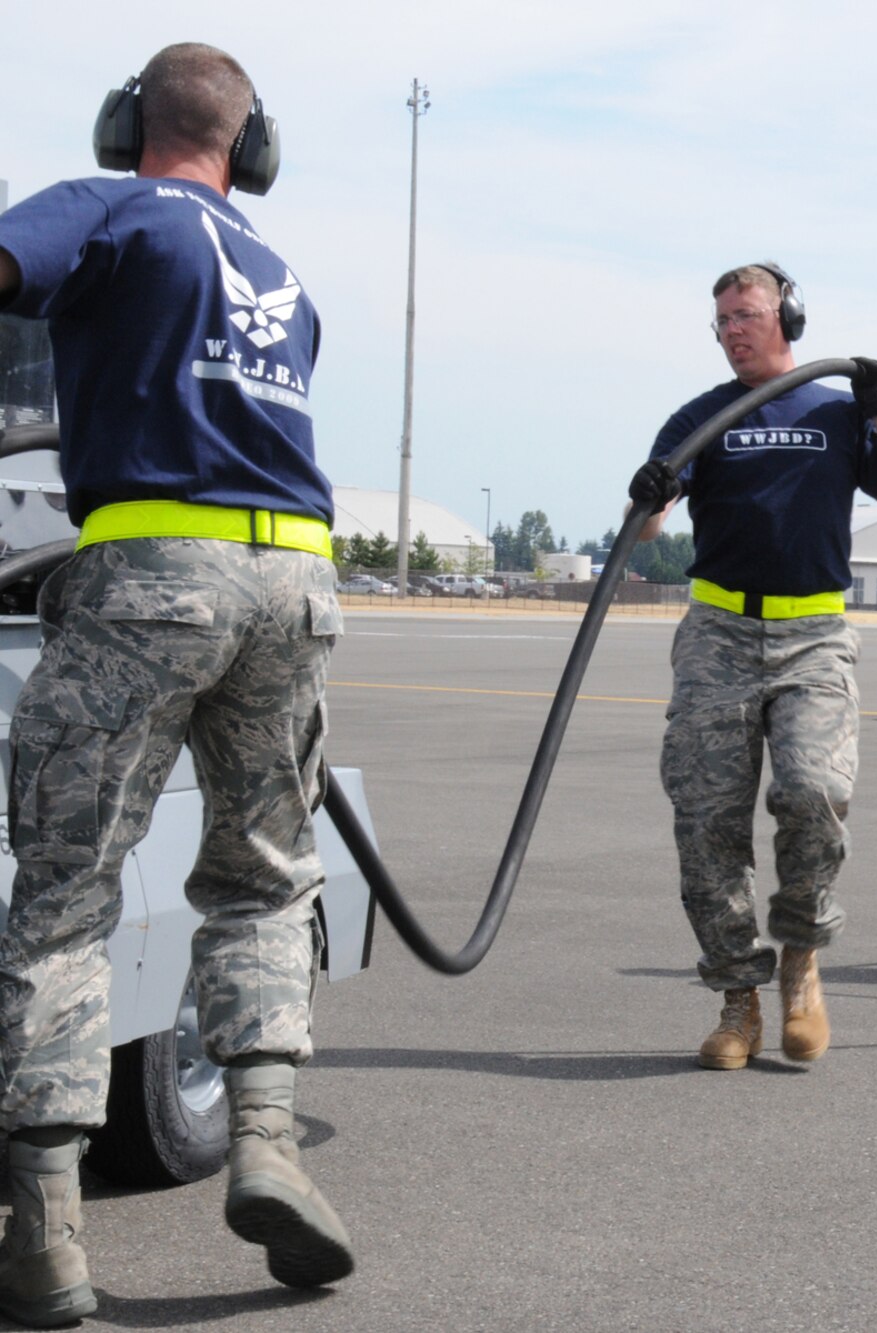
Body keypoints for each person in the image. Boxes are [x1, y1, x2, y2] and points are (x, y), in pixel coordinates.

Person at [0, 44, 354, 1318]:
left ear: (124, 126)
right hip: (296, 589)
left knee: (65, 888)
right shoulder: (281, 270)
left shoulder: (109, 206)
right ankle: (264, 1142)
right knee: (264, 879)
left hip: (153, 578)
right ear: (251, 149)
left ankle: (42, 1229)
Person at [629, 263, 877, 1070]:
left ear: (788, 316)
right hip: (719, 633)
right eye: (721, 319)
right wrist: (649, 492)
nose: (732, 329)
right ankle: (739, 998)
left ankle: (801, 954)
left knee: (814, 792)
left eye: (747, 314)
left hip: (814, 638)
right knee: (707, 822)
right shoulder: (700, 418)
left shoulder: (837, 413)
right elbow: (649, 529)